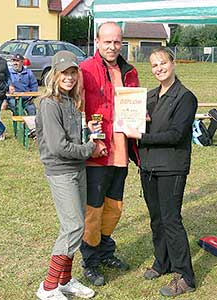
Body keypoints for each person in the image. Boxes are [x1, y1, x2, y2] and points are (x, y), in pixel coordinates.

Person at [123, 46, 197, 297]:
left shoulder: (185, 97)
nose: (159, 68)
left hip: (172, 167)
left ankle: (185, 276)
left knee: (171, 220)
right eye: (154, 65)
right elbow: (132, 118)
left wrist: (142, 135)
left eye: (163, 63)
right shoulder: (151, 96)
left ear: (173, 63)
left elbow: (177, 134)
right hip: (150, 166)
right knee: (156, 219)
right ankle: (162, 262)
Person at [35, 50, 101, 300]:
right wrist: (89, 149)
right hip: (61, 171)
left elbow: (71, 138)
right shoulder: (50, 104)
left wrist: (88, 131)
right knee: (73, 226)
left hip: (76, 168)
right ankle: (49, 287)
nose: (70, 77)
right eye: (65, 72)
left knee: (74, 225)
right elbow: (58, 146)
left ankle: (65, 280)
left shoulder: (70, 101)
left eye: (73, 72)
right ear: (55, 74)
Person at [79, 21, 140, 286]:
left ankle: (105, 251)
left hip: (121, 152)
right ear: (97, 41)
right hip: (96, 154)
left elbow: (134, 108)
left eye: (117, 42)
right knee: (93, 210)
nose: (112, 46)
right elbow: (76, 109)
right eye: (107, 42)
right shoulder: (84, 70)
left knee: (114, 208)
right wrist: (87, 136)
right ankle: (90, 261)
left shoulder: (130, 71)